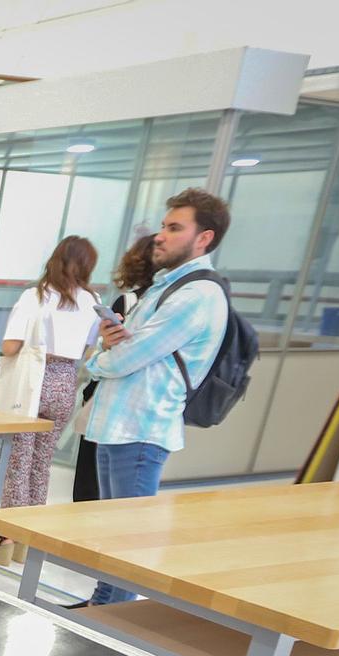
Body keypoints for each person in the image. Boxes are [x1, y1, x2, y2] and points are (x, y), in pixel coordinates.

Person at [80, 189, 232, 605]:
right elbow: (120, 349)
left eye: (174, 228)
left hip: (141, 430)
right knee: (111, 538)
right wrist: (110, 350)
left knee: (126, 543)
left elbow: (125, 358)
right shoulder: (164, 288)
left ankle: (110, 630)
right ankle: (100, 609)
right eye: (165, 226)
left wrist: (101, 359)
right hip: (117, 424)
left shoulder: (197, 295)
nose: (161, 236)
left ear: (204, 238)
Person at [0, 235, 100, 566]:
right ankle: (30, 538)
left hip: (32, 382)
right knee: (41, 461)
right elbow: (87, 351)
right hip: (65, 382)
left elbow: (11, 347)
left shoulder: (34, 296)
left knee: (18, 459)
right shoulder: (91, 301)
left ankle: (7, 537)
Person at [74, 234, 158, 502]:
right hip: (143, 411)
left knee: (92, 482)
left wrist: (98, 361)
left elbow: (101, 357)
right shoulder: (165, 305)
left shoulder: (131, 302)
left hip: (111, 403)